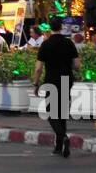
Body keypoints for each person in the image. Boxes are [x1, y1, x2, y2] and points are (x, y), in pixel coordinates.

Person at [32, 17, 79, 158]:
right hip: (66, 79)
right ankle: (59, 147)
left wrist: (35, 83)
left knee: (51, 112)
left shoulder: (46, 45)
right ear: (61, 27)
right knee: (62, 113)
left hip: (51, 80)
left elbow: (39, 68)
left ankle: (62, 137)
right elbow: (77, 65)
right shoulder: (68, 43)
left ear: (50, 28)